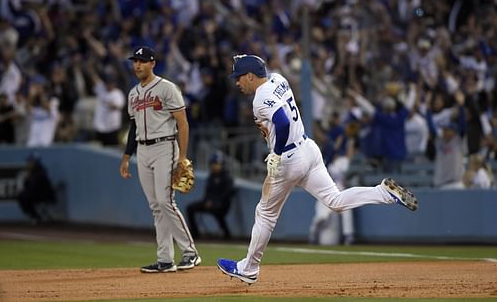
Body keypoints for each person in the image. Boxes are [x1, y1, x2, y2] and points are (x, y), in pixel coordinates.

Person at [217, 54, 419, 284]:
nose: (237, 82)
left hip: (289, 159)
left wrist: (277, 153)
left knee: (265, 213)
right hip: (308, 149)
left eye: (239, 77)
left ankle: (249, 268)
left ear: (251, 76)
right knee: (335, 200)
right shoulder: (278, 79)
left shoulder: (259, 98)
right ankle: (383, 193)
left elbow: (282, 123)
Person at [119, 46, 200, 273]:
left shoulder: (167, 88)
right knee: (156, 206)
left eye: (142, 61)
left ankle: (190, 252)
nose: (137, 65)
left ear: (152, 63)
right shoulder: (133, 94)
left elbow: (182, 123)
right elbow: (133, 125)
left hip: (165, 146)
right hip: (143, 150)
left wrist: (182, 157)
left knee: (166, 202)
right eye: (135, 61)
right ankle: (165, 259)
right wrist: (126, 157)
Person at [186, 151, 236, 240]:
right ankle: (195, 233)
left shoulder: (227, 177)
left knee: (219, 214)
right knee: (190, 208)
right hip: (209, 202)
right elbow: (208, 192)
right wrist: (207, 201)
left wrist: (215, 202)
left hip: (222, 205)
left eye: (217, 164)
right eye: (213, 164)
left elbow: (229, 192)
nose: (214, 166)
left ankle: (227, 235)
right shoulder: (211, 177)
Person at [17, 153, 56, 225]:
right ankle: (35, 216)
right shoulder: (32, 171)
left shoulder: (40, 171)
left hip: (44, 195)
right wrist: (26, 179)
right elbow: (29, 186)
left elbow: (36, 186)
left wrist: (27, 180)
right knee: (22, 196)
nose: (28, 163)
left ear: (35, 161)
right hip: (37, 194)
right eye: (29, 161)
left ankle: (35, 217)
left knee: (24, 197)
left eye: (30, 161)